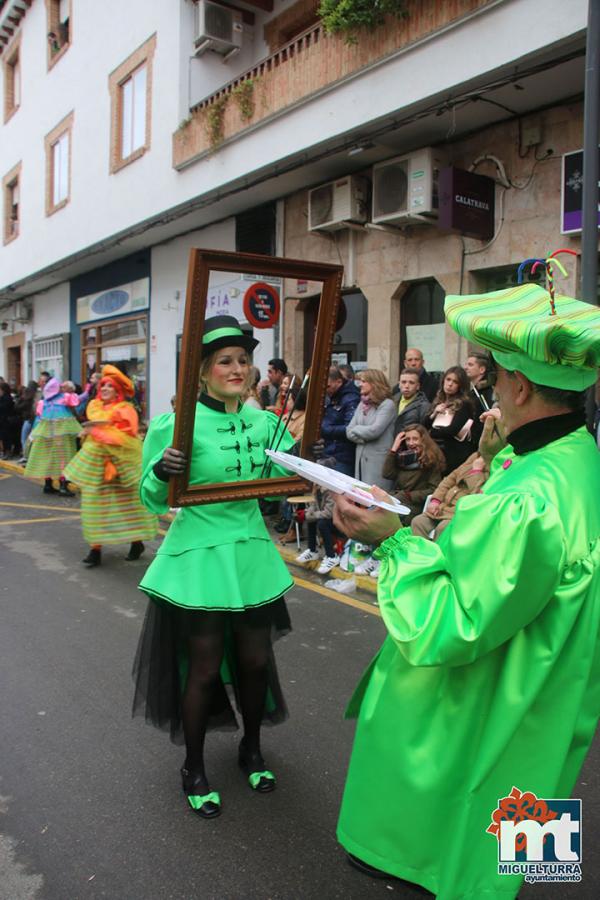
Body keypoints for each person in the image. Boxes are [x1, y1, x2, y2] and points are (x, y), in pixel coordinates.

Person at [333, 281, 600, 899]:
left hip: (494, 691)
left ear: (522, 387)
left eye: (497, 379)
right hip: (552, 686)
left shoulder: (527, 500)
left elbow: (451, 625)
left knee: (460, 847)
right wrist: (502, 455)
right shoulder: (577, 455)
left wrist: (393, 541)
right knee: (534, 793)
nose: (492, 391)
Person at [132, 316, 297, 820]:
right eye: (225, 360)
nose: (238, 368)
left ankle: (251, 748)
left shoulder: (265, 422)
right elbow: (150, 497)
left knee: (254, 661)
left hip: (250, 554)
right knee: (202, 668)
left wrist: (300, 473)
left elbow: (277, 485)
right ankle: (194, 767)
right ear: (202, 371)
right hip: (199, 556)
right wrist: (162, 471)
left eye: (244, 360)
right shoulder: (174, 426)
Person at [63, 365, 158, 566]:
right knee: (95, 506)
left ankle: (137, 542)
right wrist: (92, 431)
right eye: (103, 385)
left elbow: (126, 434)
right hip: (97, 467)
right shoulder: (95, 407)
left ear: (117, 390)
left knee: (129, 506)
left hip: (123, 467)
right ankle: (95, 549)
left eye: (109, 386)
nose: (104, 388)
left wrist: (96, 432)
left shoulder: (125, 409)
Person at [410, 445, 491, 540]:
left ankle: (437, 554)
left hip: (459, 512)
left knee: (443, 529)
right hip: (442, 507)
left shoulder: (496, 465)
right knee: (418, 522)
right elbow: (450, 479)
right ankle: (420, 553)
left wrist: (476, 471)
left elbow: (478, 494)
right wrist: (435, 501)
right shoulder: (476, 456)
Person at [24, 377, 81, 494]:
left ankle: (48, 485)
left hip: (45, 435)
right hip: (62, 436)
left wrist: (34, 434)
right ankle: (63, 486)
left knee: (48, 459)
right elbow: (76, 401)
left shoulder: (42, 402)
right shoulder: (65, 397)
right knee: (64, 459)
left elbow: (38, 418)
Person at [382, 423, 445, 522]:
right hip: (398, 499)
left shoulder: (431, 460)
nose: (411, 443)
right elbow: (387, 474)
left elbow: (434, 489)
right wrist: (393, 450)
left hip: (414, 505)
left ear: (423, 440)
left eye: (415, 439)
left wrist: (409, 496)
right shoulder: (403, 457)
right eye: (408, 439)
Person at [346, 369, 396, 490]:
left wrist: (357, 429)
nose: (360, 384)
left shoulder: (387, 404)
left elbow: (374, 431)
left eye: (364, 381)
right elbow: (348, 431)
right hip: (361, 461)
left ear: (374, 383)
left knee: (376, 500)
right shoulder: (362, 403)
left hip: (377, 463)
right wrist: (363, 436)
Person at [425, 365, 474, 473]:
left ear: (460, 386)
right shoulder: (438, 401)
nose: (450, 384)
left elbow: (452, 430)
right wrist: (434, 414)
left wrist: (432, 432)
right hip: (436, 453)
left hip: (454, 455)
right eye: (448, 379)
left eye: (455, 382)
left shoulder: (464, 404)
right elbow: (424, 425)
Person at [295, 457, 339, 574]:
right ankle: (312, 551)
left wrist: (309, 515)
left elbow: (328, 513)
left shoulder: (331, 488)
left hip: (338, 522)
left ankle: (332, 556)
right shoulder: (317, 485)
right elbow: (313, 506)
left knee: (321, 523)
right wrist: (306, 513)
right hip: (327, 518)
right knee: (311, 519)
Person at [319, 367, 360, 477]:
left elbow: (350, 428)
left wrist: (326, 429)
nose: (326, 390)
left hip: (343, 456)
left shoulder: (351, 398)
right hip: (330, 452)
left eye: (328, 386)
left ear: (339, 382)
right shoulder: (332, 396)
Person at [465, 350, 495, 445]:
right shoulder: (472, 391)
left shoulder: (487, 391)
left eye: (470, 365)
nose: (465, 368)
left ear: (482, 369)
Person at [391, 368, 430, 436]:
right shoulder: (392, 400)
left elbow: (424, 431)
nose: (406, 386)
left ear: (418, 386)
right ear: (399, 384)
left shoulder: (424, 405)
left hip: (410, 444)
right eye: (403, 382)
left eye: (411, 383)